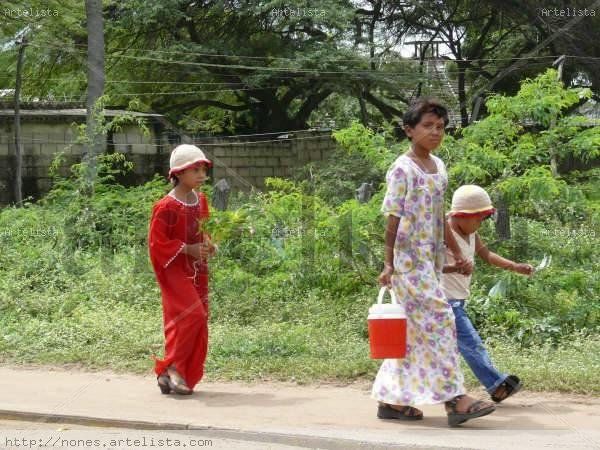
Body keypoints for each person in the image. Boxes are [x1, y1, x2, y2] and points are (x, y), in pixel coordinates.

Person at [375, 98, 496, 427]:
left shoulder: (439, 167)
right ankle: (455, 399)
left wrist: (455, 251)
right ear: (409, 130)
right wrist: (389, 264)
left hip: (431, 261)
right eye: (427, 126)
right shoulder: (402, 168)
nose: (435, 132)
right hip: (408, 263)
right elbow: (393, 219)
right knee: (442, 320)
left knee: (413, 334)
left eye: (440, 127)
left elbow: (439, 215)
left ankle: (391, 401)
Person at [442, 184, 533, 403]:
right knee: (471, 343)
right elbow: (426, 267)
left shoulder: (471, 233)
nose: (479, 224)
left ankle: (412, 394)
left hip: (457, 301)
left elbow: (487, 255)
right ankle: (496, 385)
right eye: (477, 219)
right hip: (444, 302)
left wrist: (514, 266)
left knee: (446, 350)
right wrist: (455, 268)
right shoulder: (443, 233)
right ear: (461, 215)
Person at [148, 144, 217, 395]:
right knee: (192, 315)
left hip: (197, 269)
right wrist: (187, 249)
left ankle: (169, 374)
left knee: (192, 320)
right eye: (195, 170)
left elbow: (203, 231)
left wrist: (209, 245)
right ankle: (174, 366)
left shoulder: (201, 200)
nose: (201, 175)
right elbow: (157, 244)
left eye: (203, 169)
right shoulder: (165, 206)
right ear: (178, 173)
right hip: (173, 269)